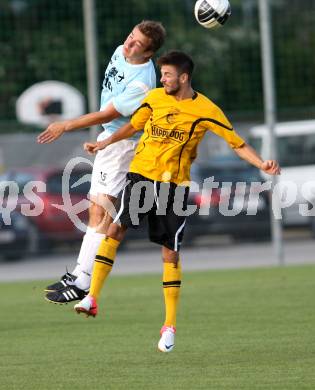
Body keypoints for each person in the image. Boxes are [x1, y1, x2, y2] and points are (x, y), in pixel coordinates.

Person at [73, 51, 281, 352]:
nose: (162, 79)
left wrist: (261, 164)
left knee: (170, 253)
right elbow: (133, 126)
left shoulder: (206, 109)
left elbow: (237, 142)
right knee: (115, 229)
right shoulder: (155, 98)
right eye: (162, 74)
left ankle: (169, 325)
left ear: (183, 77)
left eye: (167, 74)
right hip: (141, 175)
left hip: (174, 187)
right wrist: (103, 143)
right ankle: (92, 297)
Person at [37, 20, 166, 304]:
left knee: (102, 211)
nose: (129, 43)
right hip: (110, 141)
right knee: (98, 210)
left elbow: (107, 114)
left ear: (149, 54)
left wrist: (65, 125)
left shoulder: (143, 82)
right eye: (131, 36)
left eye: (138, 44)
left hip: (123, 144)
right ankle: (80, 275)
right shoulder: (122, 50)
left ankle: (82, 280)